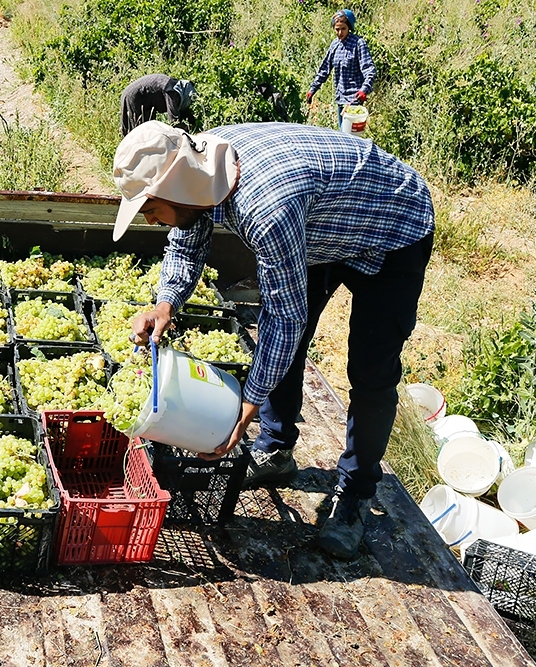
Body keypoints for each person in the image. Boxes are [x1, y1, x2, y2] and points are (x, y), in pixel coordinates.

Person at [113, 120, 434, 560]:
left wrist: (249, 406)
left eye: (149, 207)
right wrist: (166, 303)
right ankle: (277, 449)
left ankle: (355, 494)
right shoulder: (201, 166)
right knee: (286, 343)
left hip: (390, 225)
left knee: (370, 372)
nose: (149, 218)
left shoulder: (266, 207)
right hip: (322, 222)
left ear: (176, 187)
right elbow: (186, 243)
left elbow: (286, 319)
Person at [306, 9, 376, 129]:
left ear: (349, 27)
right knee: (342, 133)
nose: (340, 33)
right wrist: (313, 89)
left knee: (350, 135)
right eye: (337, 29)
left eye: (343, 29)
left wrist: (364, 89)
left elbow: (369, 69)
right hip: (340, 98)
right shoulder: (335, 45)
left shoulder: (358, 44)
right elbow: (324, 69)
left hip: (354, 99)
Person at [120, 74, 196, 136]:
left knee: (150, 130)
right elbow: (174, 122)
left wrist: (193, 123)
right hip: (135, 95)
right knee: (140, 133)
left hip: (142, 96)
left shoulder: (177, 88)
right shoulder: (173, 92)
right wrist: (186, 130)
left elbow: (184, 110)